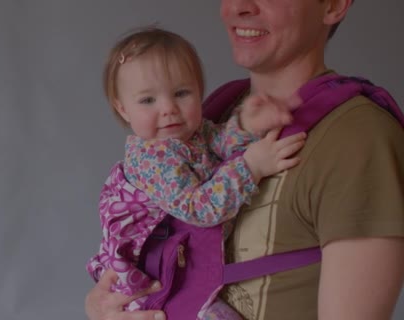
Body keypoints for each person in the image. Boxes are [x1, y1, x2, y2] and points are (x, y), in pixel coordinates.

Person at [85, 1, 404, 319]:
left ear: (332, 5)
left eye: (182, 93)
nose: (239, 5)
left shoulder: (358, 138)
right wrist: (102, 306)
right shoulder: (212, 112)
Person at [86, 27, 306, 318]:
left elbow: (219, 145)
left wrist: (247, 125)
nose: (169, 109)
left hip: (176, 264)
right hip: (148, 283)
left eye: (181, 93)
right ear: (122, 108)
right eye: (148, 100)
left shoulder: (191, 134)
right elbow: (199, 208)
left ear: (199, 91)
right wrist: (251, 167)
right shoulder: (153, 158)